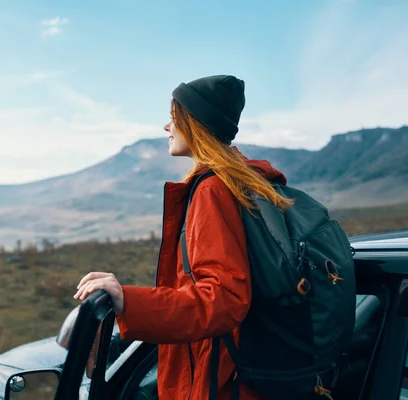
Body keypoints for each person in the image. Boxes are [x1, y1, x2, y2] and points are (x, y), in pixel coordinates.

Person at [74, 75, 292, 400]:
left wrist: (126, 300)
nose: (166, 127)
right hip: (253, 375)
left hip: (223, 383)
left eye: (173, 118)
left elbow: (222, 299)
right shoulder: (250, 183)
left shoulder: (214, 190)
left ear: (194, 123)